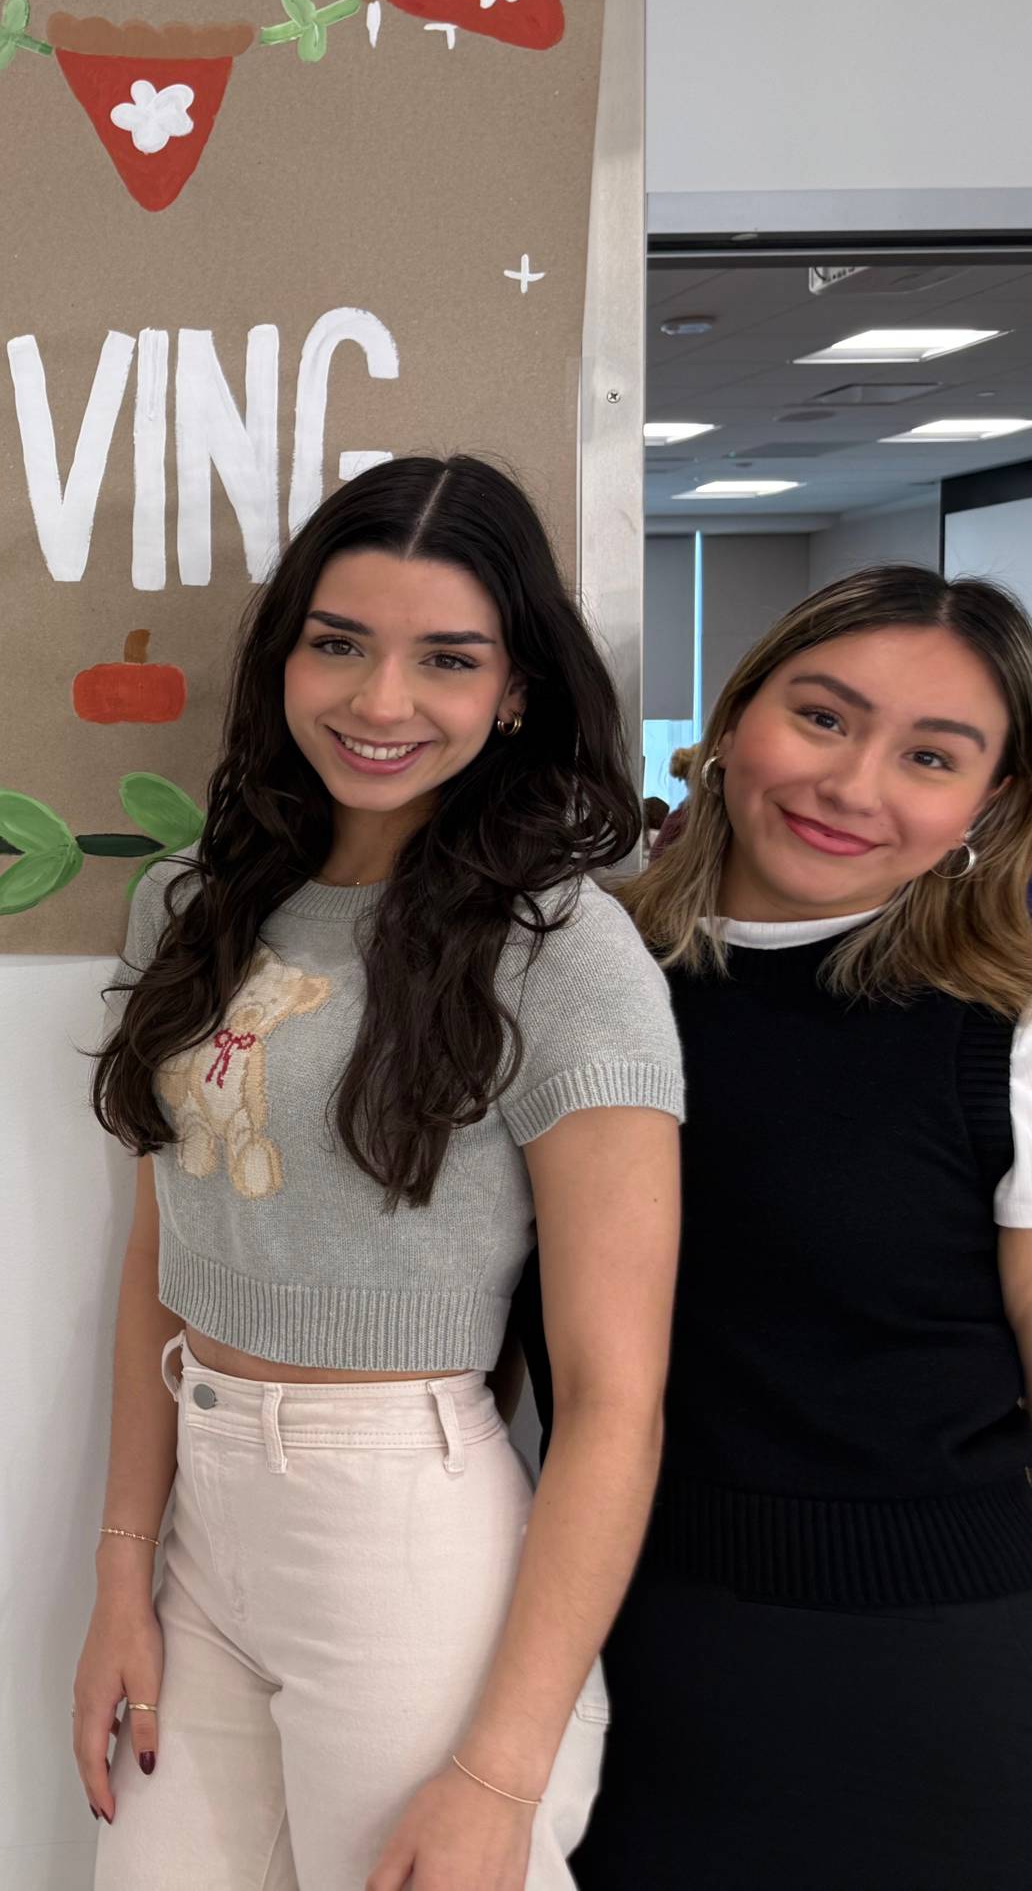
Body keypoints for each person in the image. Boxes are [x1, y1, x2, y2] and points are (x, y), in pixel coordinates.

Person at [78, 456, 684, 1889]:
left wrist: (497, 1767)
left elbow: (616, 1397)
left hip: (399, 1529)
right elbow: (162, 1244)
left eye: (447, 659)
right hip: (204, 1514)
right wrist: (121, 1565)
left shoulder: (561, 949)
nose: (380, 700)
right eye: (339, 641)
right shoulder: (194, 898)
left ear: (517, 688)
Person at [544, 565, 1032, 1886]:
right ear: (736, 713)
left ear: (987, 806)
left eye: (931, 754)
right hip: (597, 1640)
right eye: (823, 717)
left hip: (922, 1678)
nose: (854, 783)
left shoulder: (1003, 1042)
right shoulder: (578, 982)